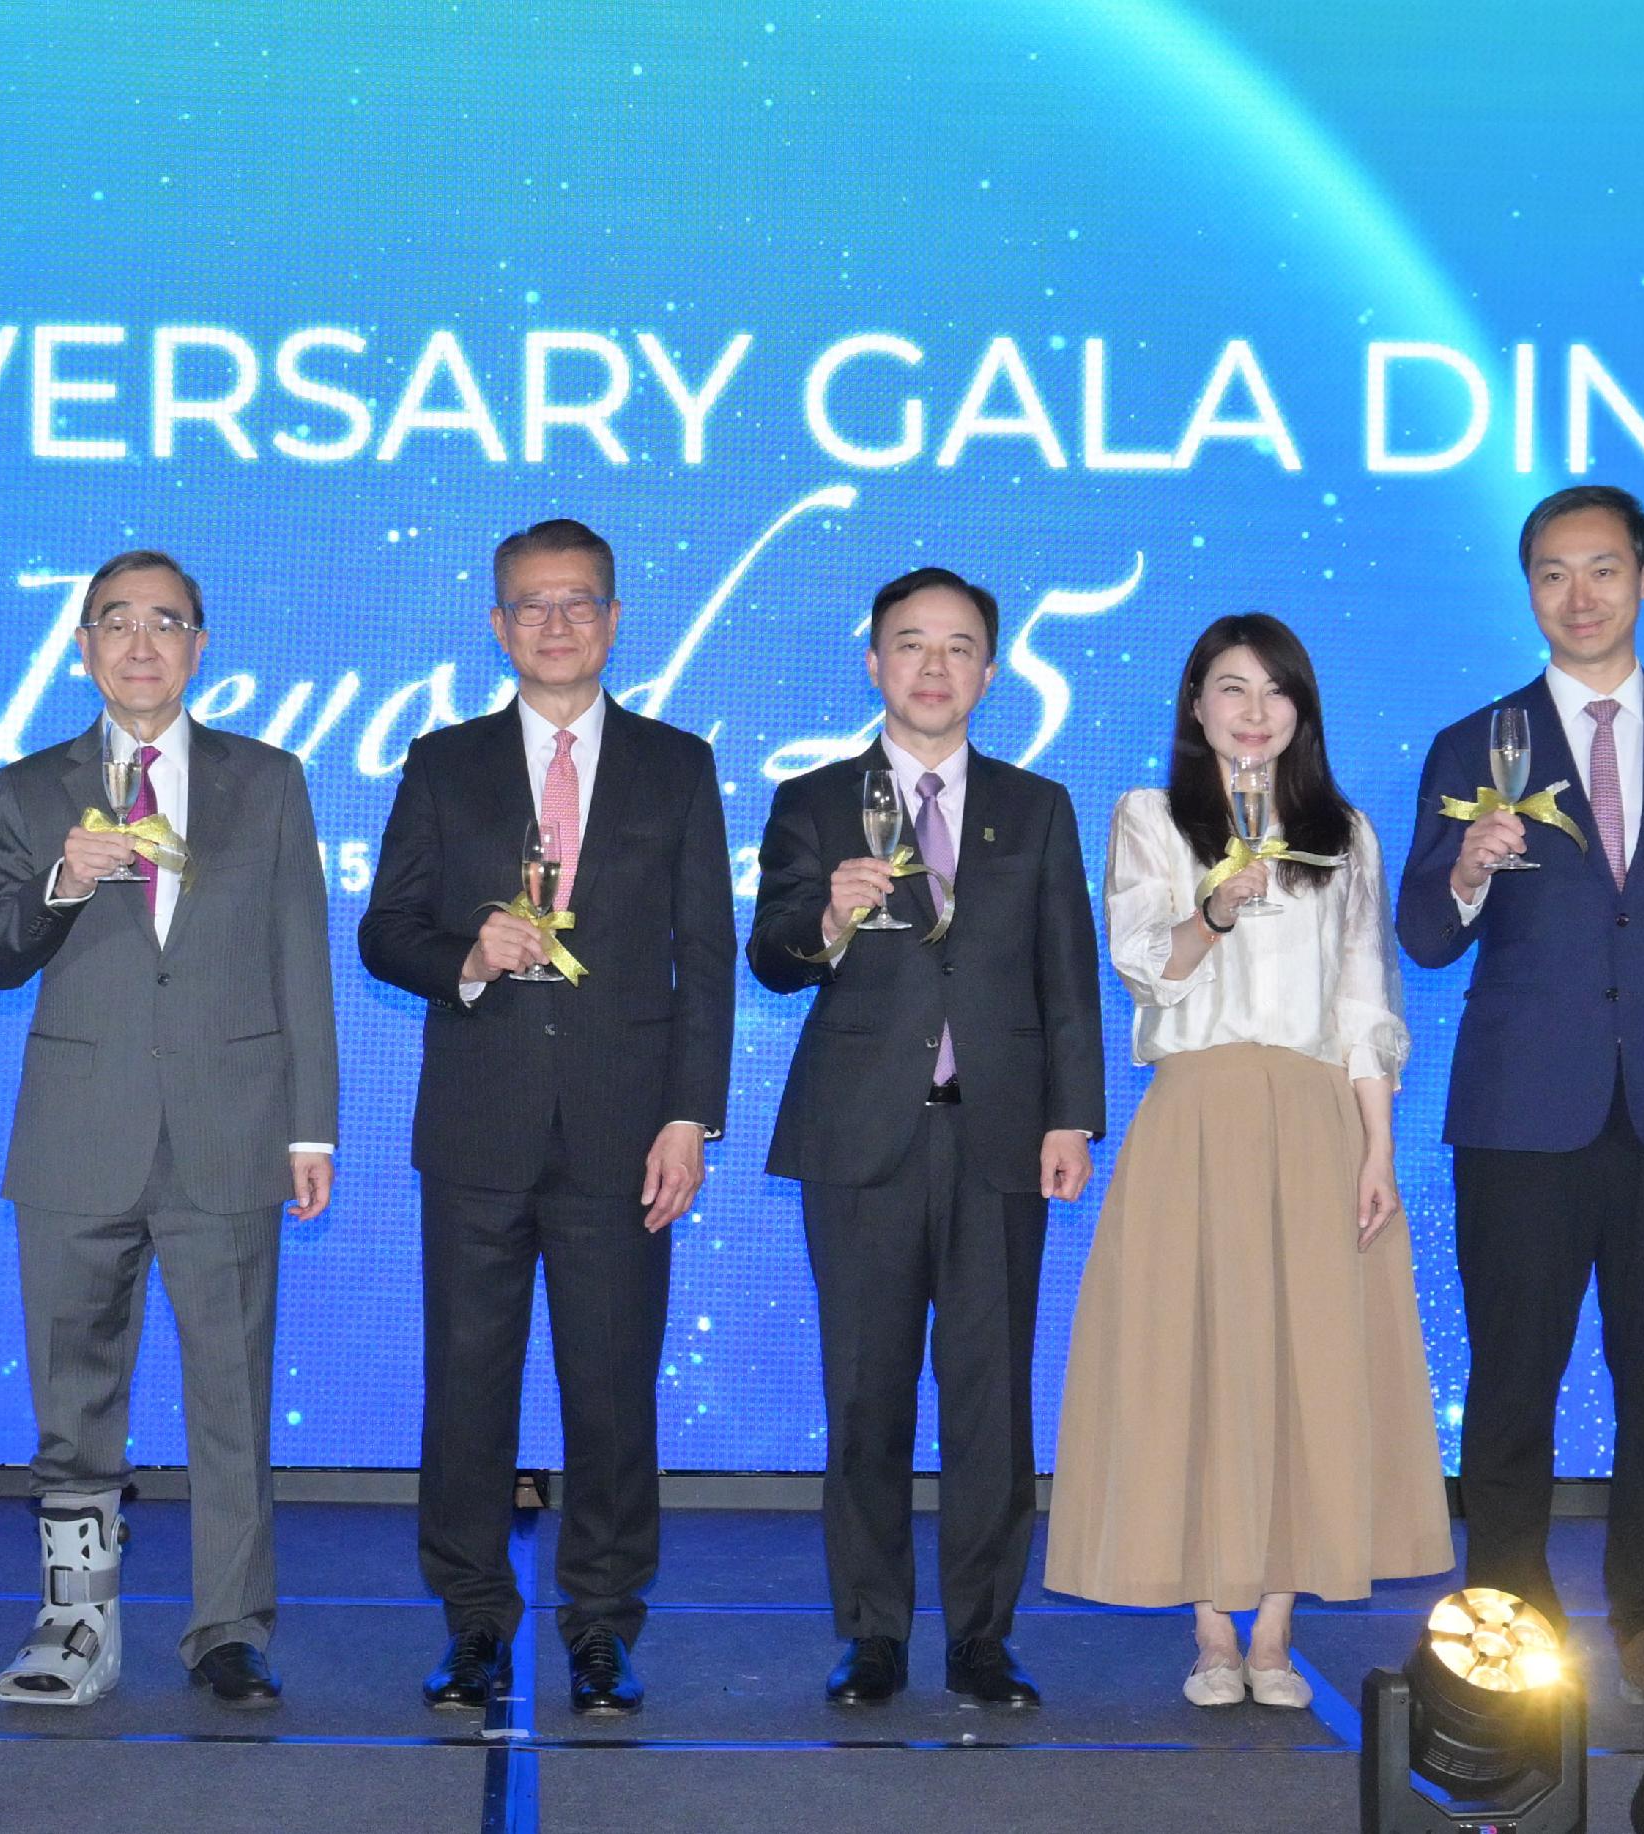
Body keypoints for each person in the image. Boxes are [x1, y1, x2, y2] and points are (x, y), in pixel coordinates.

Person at [1396, 483, 1644, 1723]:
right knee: (1512, 1384)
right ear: (1529, 589)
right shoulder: (1473, 742)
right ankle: (1502, 1626)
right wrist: (1464, 866)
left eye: (1601, 569)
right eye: (1553, 573)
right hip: (1520, 1117)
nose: (1580, 595)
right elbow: (1420, 935)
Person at [359, 517, 735, 1720]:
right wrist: (466, 955)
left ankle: (602, 1629)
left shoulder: (677, 765)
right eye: (530, 604)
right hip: (476, 1125)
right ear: (497, 624)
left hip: (627, 1135)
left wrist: (690, 1117)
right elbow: (385, 929)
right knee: (466, 1386)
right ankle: (473, 1623)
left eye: (577, 602)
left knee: (612, 1389)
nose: (555, 623)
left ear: (615, 621)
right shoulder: (443, 760)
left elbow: (708, 960)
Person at [1047, 613, 1446, 1710]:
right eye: (1230, 688)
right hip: (1200, 1111)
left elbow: (1365, 996)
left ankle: (1274, 1629)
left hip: (1316, 1114)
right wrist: (1214, 908)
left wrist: (1375, 1144)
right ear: (1194, 704)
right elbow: (1145, 969)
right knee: (1202, 1358)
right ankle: (1212, 1628)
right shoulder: (1148, 818)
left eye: (1275, 691)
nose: (1253, 710)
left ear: (1300, 711)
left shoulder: (1345, 833)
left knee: (1303, 1362)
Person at [0, 550, 339, 1710]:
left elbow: (299, 958)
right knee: (75, 1402)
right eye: (114, 623)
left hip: (230, 1131)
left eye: (164, 622)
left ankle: (229, 1624)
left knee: (230, 1391)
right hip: (78, 1133)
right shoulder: (32, 787)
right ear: (82, 646)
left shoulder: (265, 779)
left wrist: (311, 1126)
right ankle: (76, 1622)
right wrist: (62, 883)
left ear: (198, 643)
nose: (139, 643)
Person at [747, 566, 1100, 1712]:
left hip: (998, 1136)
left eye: (958, 648)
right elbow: (769, 958)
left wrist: (1071, 1116)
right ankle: (873, 1634)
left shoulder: (1035, 806)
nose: (933, 667)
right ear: (873, 663)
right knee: (864, 1395)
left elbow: (1065, 977)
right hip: (861, 1141)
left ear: (989, 672)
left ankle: (984, 1638)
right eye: (910, 645)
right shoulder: (811, 801)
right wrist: (827, 918)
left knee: (991, 1402)